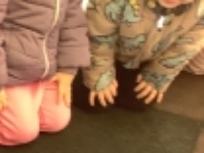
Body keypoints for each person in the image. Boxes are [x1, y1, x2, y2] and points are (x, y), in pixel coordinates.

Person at [0, 0, 90, 146]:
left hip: (46, 68)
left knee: (56, 121)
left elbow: (74, 23)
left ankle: (25, 105)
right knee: (19, 133)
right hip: (8, 71)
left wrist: (68, 69)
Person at [76, 0, 204, 111]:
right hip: (103, 51)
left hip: (145, 57)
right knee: (92, 101)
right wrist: (99, 75)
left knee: (139, 100)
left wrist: (156, 76)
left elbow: (184, 48)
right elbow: (97, 38)